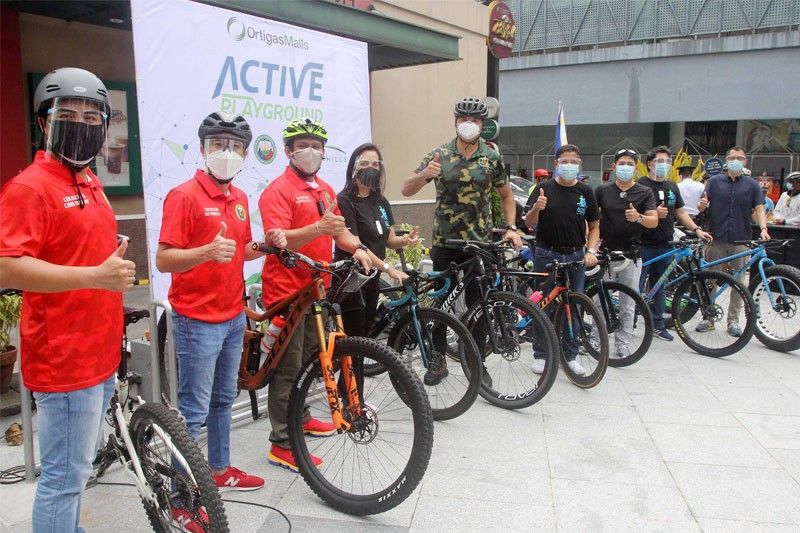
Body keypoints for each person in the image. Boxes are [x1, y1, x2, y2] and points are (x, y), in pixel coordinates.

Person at [0, 67, 137, 533]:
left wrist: (106, 268)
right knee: (63, 477)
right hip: (64, 360)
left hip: (97, 354)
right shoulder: (30, 187)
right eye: (68, 114)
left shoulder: (89, 183)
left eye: (92, 115)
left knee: (76, 474)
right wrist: (96, 274)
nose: (81, 124)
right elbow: (7, 265)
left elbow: (79, 253)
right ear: (44, 122)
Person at [259, 118, 403, 471]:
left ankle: (303, 415)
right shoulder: (276, 191)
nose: (311, 151)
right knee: (288, 368)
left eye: (317, 146)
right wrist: (317, 228)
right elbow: (278, 240)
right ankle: (281, 442)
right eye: (303, 145)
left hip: (316, 291)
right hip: (286, 293)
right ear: (289, 150)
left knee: (312, 357)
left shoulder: (323, 190)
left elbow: (340, 233)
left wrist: (357, 249)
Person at [156, 113, 285, 504]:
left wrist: (267, 244)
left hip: (232, 316)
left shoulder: (241, 199)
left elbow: (241, 250)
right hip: (197, 319)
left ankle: (219, 468)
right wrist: (206, 252)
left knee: (222, 399)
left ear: (245, 154)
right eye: (217, 145)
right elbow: (164, 260)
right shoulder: (184, 196)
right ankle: (180, 498)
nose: (225, 153)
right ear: (202, 149)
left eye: (233, 146)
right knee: (192, 410)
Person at [400, 97, 522, 386]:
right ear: (456, 122)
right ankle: (438, 360)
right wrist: (423, 175)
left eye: (476, 120)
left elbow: (506, 196)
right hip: (445, 243)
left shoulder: (491, 157)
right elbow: (405, 189)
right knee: (441, 305)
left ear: (483, 125)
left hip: (480, 245)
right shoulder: (439, 154)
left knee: (481, 304)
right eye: (464, 119)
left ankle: (476, 362)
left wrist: (511, 227)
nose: (470, 124)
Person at [524, 143, 600, 376]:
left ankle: (570, 355)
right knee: (542, 305)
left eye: (574, 161)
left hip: (576, 255)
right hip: (547, 253)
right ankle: (541, 353)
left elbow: (595, 226)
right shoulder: (543, 188)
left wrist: (591, 251)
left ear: (580, 165)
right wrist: (537, 208)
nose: (569, 165)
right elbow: (527, 223)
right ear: (556, 164)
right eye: (564, 161)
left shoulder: (586, 192)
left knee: (573, 306)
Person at [335, 143, 418, 338]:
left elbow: (389, 240)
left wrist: (405, 240)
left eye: (375, 164)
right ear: (353, 167)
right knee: (355, 339)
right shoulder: (345, 200)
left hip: (372, 278)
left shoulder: (380, 201)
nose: (370, 168)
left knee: (367, 337)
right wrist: (388, 269)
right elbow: (357, 245)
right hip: (352, 280)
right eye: (364, 163)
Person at [638, 146, 711, 341]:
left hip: (666, 243)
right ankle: (629, 322)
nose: (664, 165)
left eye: (668, 162)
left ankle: (657, 324)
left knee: (659, 286)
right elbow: (631, 214)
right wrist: (648, 215)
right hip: (642, 244)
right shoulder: (641, 185)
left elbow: (680, 212)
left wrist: (696, 229)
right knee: (636, 285)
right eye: (660, 161)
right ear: (649, 163)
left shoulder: (672, 186)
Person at [697, 146, 769, 337]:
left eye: (739, 158)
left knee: (738, 282)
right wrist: (701, 205)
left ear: (745, 161)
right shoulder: (713, 182)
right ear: (726, 160)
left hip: (741, 240)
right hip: (716, 238)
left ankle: (733, 321)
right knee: (710, 279)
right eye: (732, 157)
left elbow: (760, 208)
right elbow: (702, 205)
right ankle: (708, 317)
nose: (735, 160)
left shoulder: (752, 185)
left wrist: (763, 228)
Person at [594, 149, 658, 359]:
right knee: (599, 302)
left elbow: (653, 220)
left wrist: (638, 217)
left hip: (631, 255)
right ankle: (596, 338)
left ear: (636, 167)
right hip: (605, 254)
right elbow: (591, 220)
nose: (625, 167)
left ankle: (623, 343)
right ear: (614, 166)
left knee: (628, 304)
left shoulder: (644, 192)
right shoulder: (602, 191)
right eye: (621, 163)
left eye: (630, 164)